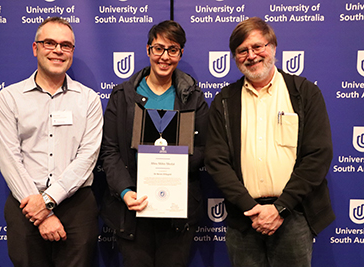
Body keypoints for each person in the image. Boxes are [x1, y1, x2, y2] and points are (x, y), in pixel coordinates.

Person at [205, 17, 335, 267]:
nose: (251, 55)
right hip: (245, 218)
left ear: (273, 47)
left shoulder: (304, 93)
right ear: (235, 57)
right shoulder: (224, 101)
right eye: (242, 51)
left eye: (257, 47)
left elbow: (318, 154)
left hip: (294, 214)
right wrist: (251, 208)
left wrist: (281, 208)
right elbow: (216, 160)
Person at [0, 17, 103, 267]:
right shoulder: (9, 98)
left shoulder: (88, 99)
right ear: (35, 48)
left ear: (72, 52)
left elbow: (87, 158)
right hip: (25, 204)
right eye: (49, 43)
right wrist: (40, 212)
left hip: (77, 205)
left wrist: (48, 201)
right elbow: (9, 158)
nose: (58, 50)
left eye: (66, 45)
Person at [100, 20, 208, 267]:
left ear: (180, 53)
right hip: (132, 209)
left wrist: (175, 169)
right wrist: (126, 192)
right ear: (148, 50)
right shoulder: (123, 96)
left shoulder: (193, 97)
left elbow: (204, 147)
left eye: (172, 50)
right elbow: (110, 151)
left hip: (176, 209)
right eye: (158, 48)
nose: (164, 57)